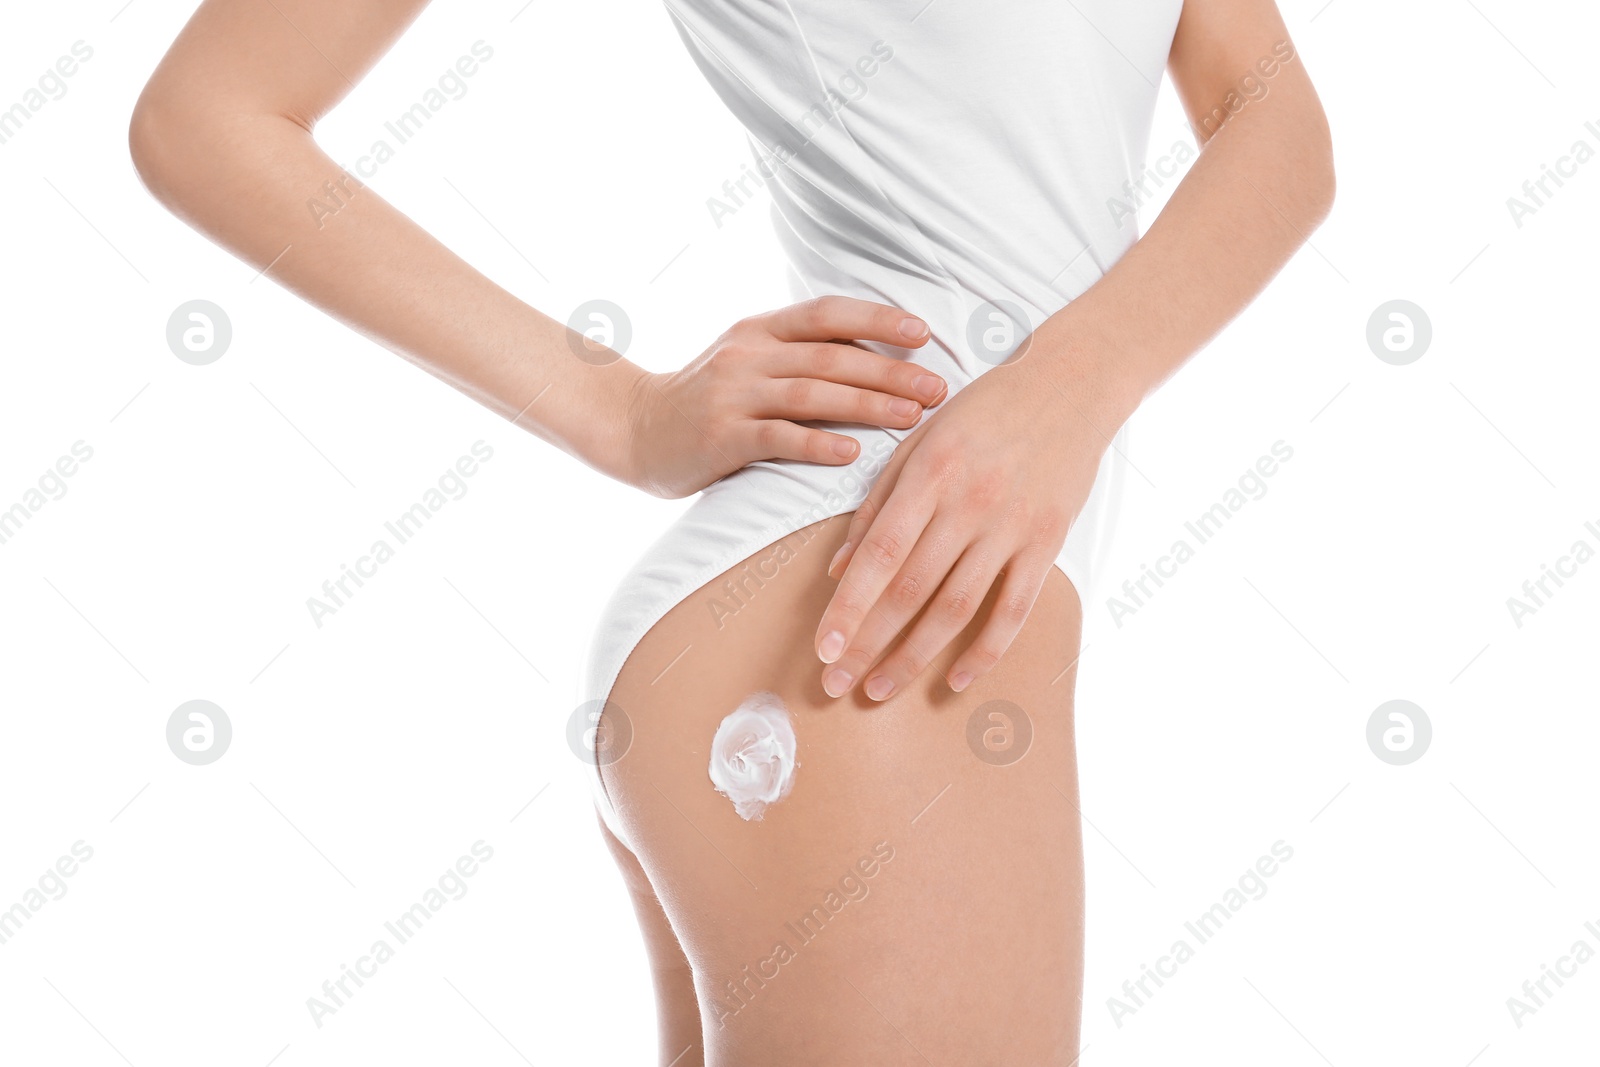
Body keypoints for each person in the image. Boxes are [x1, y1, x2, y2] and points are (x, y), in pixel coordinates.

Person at [130, 0, 1333, 1061]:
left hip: (903, 599)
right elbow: (208, 117)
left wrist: (1072, 384)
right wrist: (619, 410)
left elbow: (1275, 124)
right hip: (869, 608)